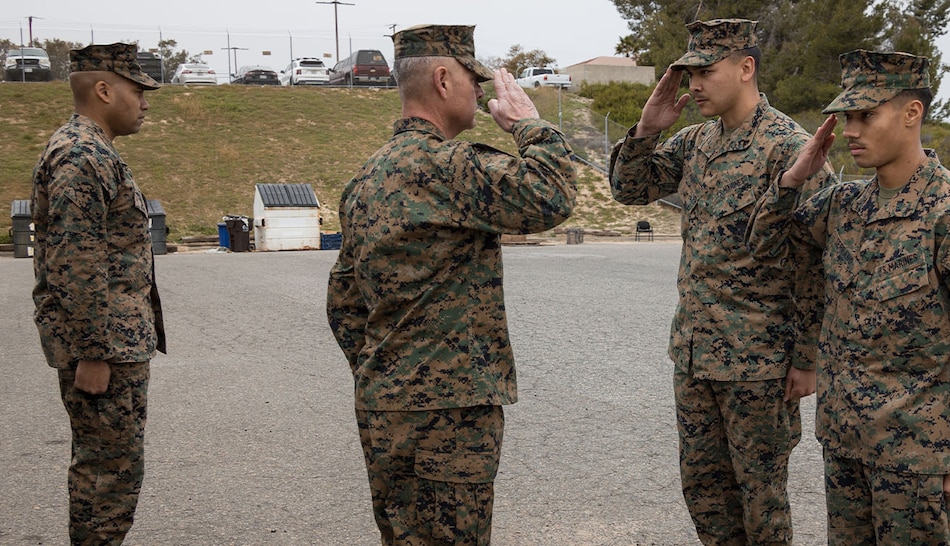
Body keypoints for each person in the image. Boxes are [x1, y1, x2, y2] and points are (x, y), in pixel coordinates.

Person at [748, 49, 950, 544]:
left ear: (911, 113)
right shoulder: (843, 204)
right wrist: (793, 179)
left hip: (913, 456)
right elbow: (764, 244)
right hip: (842, 440)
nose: (851, 130)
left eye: (866, 115)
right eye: (846, 117)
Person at [326, 24, 577, 545]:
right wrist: (530, 126)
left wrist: (387, 368)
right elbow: (552, 196)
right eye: (473, 78)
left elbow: (344, 302)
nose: (481, 91)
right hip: (451, 414)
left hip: (384, 406)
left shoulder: (366, 178)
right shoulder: (451, 167)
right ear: (443, 79)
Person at [609, 18, 834, 545]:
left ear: (746, 67)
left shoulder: (789, 148)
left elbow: (816, 262)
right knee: (704, 491)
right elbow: (628, 189)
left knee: (761, 498)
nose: (693, 85)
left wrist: (807, 358)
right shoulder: (696, 142)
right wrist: (646, 130)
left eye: (706, 71)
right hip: (694, 352)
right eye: (688, 73)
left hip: (759, 363)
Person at [31, 43, 166, 545]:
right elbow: (77, 262)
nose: (145, 103)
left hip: (114, 342)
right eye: (137, 90)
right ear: (105, 90)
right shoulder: (81, 155)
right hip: (104, 348)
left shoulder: (91, 151)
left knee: (114, 470)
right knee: (107, 476)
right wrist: (92, 352)